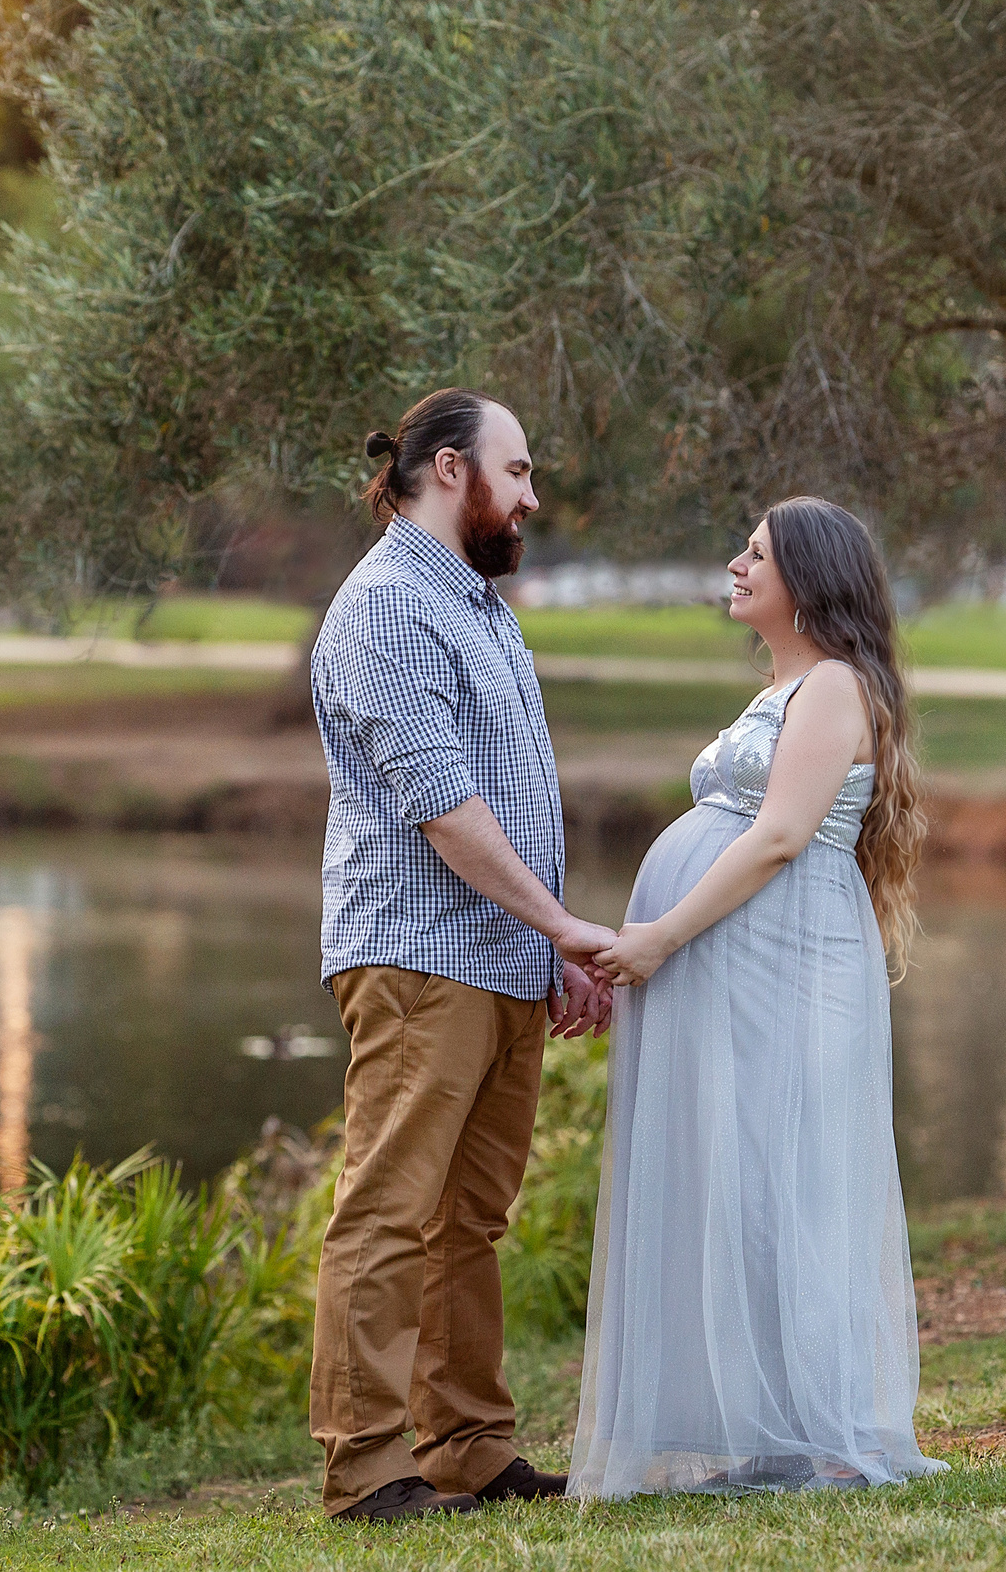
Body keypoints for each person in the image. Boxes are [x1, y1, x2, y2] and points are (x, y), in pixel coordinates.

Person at [574, 496, 948, 1500]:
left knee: (789, 1183)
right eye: (739, 548)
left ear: (809, 578)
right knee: (742, 1182)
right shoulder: (789, 687)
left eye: (756, 554)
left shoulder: (830, 686)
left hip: (790, 963)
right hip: (747, 966)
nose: (736, 566)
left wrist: (660, 934)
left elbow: (780, 836)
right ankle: (765, 1419)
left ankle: (825, 1431)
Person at [308, 387, 619, 1524]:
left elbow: (506, 802)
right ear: (449, 470)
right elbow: (442, 807)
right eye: (520, 470)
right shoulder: (390, 606)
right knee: (389, 1211)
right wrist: (565, 927)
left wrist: (551, 954)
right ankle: (364, 1468)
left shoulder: (476, 606)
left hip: (498, 960)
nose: (532, 496)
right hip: (416, 958)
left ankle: (469, 1448)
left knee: (470, 1220)